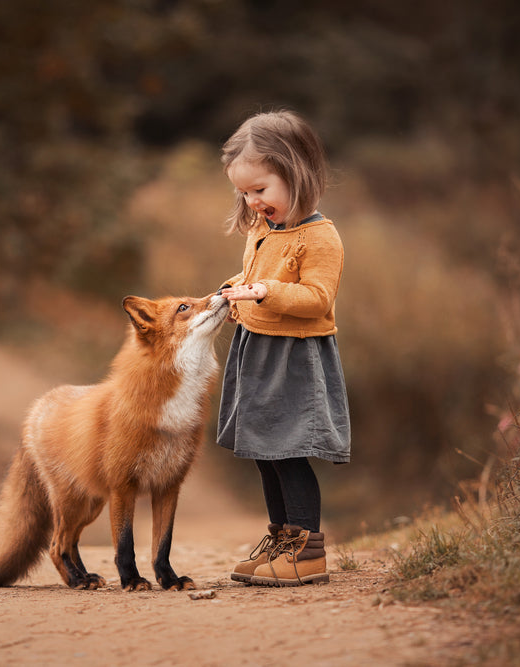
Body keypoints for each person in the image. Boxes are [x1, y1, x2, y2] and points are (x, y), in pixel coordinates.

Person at [217, 109, 350, 587]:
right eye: (245, 193)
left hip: (294, 358)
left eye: (260, 190)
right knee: (264, 451)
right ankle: (283, 539)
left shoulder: (320, 236)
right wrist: (235, 289)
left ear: (296, 172)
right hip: (257, 352)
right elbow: (256, 278)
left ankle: (307, 551)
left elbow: (317, 299)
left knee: (289, 450)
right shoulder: (262, 230)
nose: (253, 202)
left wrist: (265, 293)